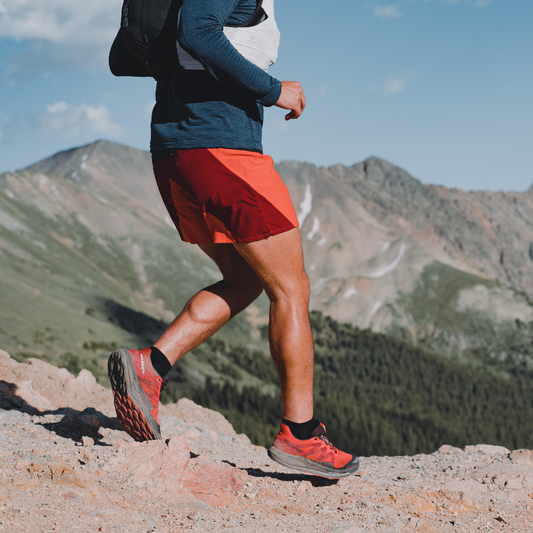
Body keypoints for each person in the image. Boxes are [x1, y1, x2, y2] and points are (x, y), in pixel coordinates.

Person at [108, 0, 359, 479]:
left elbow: (124, 59)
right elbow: (200, 31)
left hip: (174, 153)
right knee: (292, 288)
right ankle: (300, 436)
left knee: (243, 280)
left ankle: (151, 365)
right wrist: (272, 91)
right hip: (223, 149)